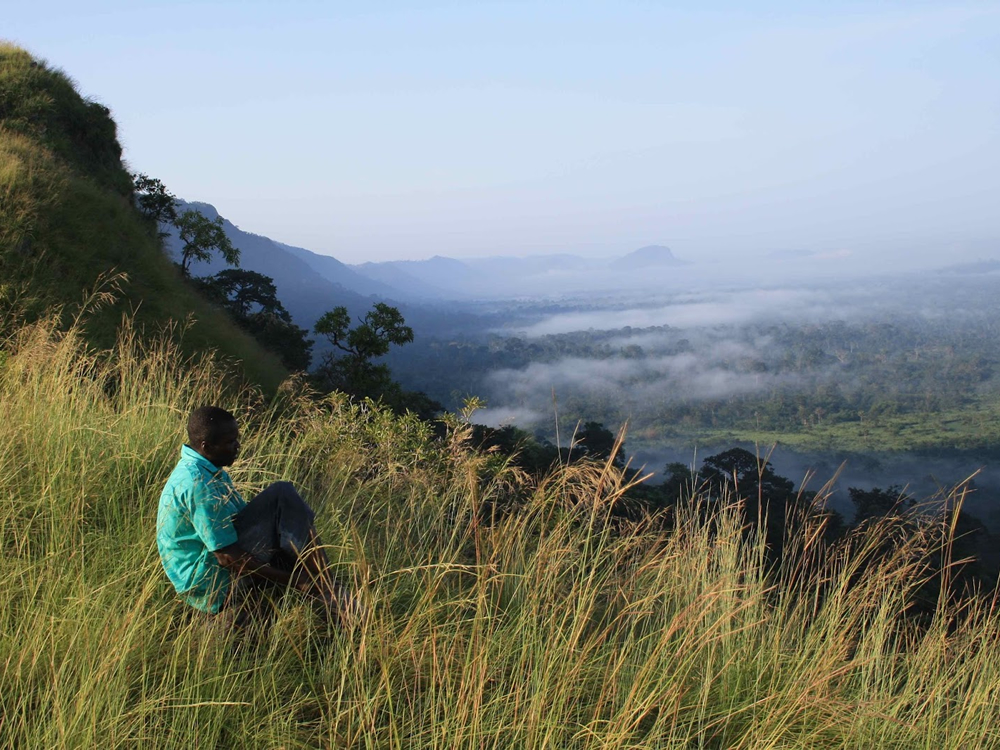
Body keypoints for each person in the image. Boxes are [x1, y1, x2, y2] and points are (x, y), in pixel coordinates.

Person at [157, 405, 351, 626]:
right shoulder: (196, 482)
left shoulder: (210, 471)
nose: (237, 446)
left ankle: (327, 588)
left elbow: (240, 519)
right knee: (282, 494)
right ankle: (328, 587)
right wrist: (296, 582)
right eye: (230, 442)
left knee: (284, 515)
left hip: (212, 567)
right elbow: (227, 556)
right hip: (209, 582)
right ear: (206, 445)